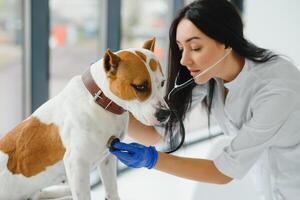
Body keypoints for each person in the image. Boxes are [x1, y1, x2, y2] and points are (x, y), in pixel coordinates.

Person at [110, 0, 300, 199]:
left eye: (195, 47)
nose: (183, 60)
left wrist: (152, 160)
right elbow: (155, 133)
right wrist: (111, 100)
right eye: (181, 48)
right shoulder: (210, 74)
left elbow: (222, 172)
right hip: (270, 184)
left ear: (226, 41)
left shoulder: (277, 89)